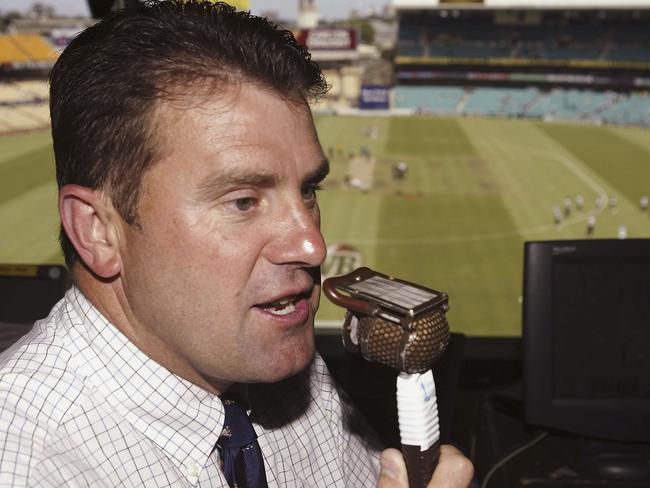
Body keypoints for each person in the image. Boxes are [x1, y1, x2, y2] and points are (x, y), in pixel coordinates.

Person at [0, 2, 473, 488]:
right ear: (98, 230)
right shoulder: (26, 463)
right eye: (244, 201)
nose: (312, 245)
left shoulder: (285, 368)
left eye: (308, 191)